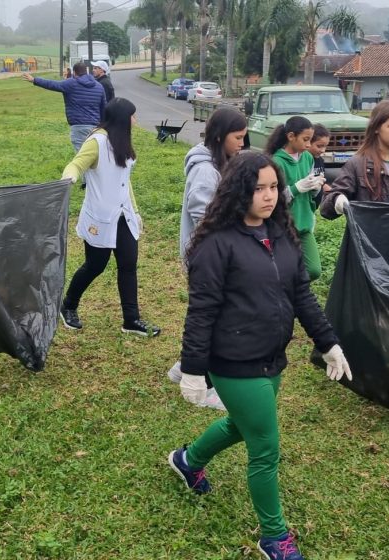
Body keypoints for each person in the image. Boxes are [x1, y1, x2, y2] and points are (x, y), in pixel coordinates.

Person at [167, 151, 352, 560]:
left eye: (273, 187)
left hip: (271, 357)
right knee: (265, 449)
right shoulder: (216, 244)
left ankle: (187, 460)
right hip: (233, 362)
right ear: (238, 191)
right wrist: (194, 371)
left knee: (241, 424)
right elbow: (201, 313)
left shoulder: (280, 232)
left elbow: (301, 294)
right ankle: (274, 537)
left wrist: (328, 343)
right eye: (259, 189)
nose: (269, 196)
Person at [167, 107, 249, 410]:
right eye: (238, 137)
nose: (242, 142)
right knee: (216, 319)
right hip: (208, 258)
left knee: (211, 317)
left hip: (216, 255)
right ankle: (208, 384)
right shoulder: (205, 170)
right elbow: (202, 214)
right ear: (219, 136)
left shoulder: (221, 163)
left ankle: (183, 368)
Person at [58, 98, 160, 337]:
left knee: (128, 265)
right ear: (123, 119)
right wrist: (70, 178)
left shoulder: (121, 142)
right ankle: (68, 305)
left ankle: (131, 320)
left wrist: (135, 211)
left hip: (123, 215)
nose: (135, 120)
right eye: (133, 116)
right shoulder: (97, 141)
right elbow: (75, 165)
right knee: (95, 265)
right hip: (101, 217)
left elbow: (125, 182)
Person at [321, 101, 389, 218]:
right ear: (376, 128)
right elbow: (326, 209)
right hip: (366, 234)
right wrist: (337, 200)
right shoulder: (357, 163)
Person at [265, 116, 325, 281]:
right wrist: (296, 188)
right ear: (291, 136)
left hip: (304, 224)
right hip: (283, 226)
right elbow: (272, 199)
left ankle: (295, 293)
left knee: (313, 270)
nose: (308, 144)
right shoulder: (276, 162)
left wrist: (315, 188)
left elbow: (311, 190)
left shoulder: (308, 158)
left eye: (310, 140)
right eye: (305, 139)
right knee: (283, 269)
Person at [22, 62, 106, 153]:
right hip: (95, 127)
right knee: (95, 154)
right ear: (86, 71)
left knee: (82, 157)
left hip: (79, 126)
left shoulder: (71, 83)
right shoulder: (99, 86)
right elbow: (104, 108)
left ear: (74, 72)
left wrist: (34, 80)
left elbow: (52, 84)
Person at [308, 124, 332, 208]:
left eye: (325, 146)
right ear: (308, 142)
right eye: (319, 146)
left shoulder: (320, 160)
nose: (323, 150)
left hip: (314, 207)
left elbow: (322, 184)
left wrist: (333, 192)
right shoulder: (303, 162)